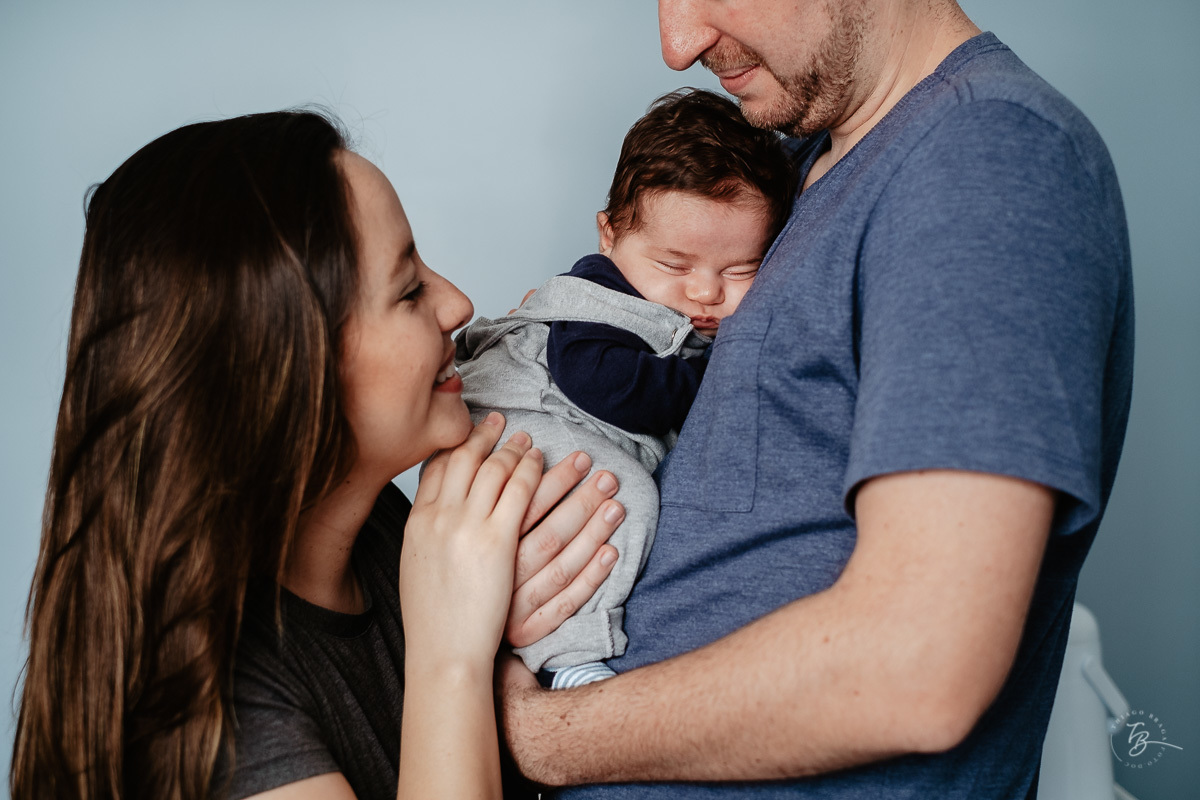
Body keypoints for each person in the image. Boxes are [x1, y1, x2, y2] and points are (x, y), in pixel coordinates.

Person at [497, 1, 1134, 798]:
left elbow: (919, 664)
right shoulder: (797, 166)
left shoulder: (984, 159)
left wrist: (537, 733)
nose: (678, 43)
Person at [9, 110, 624, 800]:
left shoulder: (387, 530)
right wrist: (450, 660)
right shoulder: (193, 714)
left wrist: (505, 654)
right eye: (409, 290)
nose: (457, 302)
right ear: (289, 371)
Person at [456, 88, 795, 689]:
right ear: (608, 235)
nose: (705, 293)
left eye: (741, 269)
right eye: (674, 265)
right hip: (517, 421)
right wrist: (714, 375)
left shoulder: (686, 306)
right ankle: (570, 658)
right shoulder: (596, 294)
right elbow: (607, 387)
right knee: (623, 500)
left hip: (559, 431)